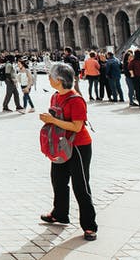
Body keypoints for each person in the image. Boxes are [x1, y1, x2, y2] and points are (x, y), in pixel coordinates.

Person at [38, 62, 97, 241]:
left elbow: (77, 127)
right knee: (58, 181)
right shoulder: (55, 97)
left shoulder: (76, 99)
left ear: (59, 80)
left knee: (81, 185)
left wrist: (52, 121)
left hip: (78, 147)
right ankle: (60, 213)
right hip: (61, 145)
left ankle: (89, 226)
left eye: (50, 76)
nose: (48, 78)